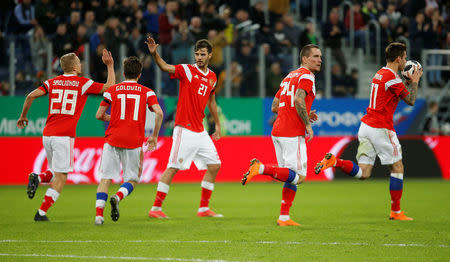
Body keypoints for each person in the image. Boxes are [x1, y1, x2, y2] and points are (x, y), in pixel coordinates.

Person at [315, 42, 423, 221]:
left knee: (364, 173)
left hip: (366, 127)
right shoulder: (393, 78)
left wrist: (406, 81)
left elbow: (394, 93)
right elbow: (411, 100)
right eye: (404, 57)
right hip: (381, 128)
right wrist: (415, 82)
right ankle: (396, 211)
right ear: (398, 58)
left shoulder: (381, 73)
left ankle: (335, 161)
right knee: (397, 167)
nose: (405, 60)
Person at [17, 50, 115, 221]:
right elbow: (109, 87)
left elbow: (30, 95)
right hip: (63, 136)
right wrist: (110, 66)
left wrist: (23, 116)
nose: (81, 64)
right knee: (61, 178)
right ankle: (41, 213)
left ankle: (38, 177)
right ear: (75, 67)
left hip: (47, 134)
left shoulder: (52, 82)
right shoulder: (82, 83)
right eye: (79, 61)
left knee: (54, 172)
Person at [242, 44, 321, 226]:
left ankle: (284, 217)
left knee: (289, 175)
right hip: (292, 132)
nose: (319, 60)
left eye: (320, 57)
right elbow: (299, 99)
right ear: (304, 59)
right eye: (315, 56)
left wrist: (304, 114)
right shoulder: (307, 76)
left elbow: (275, 106)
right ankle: (260, 169)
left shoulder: (289, 76)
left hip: (278, 130)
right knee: (299, 177)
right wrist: (307, 124)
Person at [145, 36, 223, 218]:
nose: (199, 57)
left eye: (203, 54)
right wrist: (155, 53)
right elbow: (165, 67)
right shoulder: (187, 71)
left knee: (215, 165)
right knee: (172, 167)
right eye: (196, 54)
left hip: (200, 131)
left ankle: (203, 208)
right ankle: (155, 208)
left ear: (210, 55)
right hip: (184, 129)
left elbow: (211, 100)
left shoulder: (212, 77)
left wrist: (217, 124)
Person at [94, 56, 163, 225]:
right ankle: (117, 197)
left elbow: (99, 115)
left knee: (106, 178)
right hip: (133, 141)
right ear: (140, 74)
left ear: (123, 73)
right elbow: (159, 113)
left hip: (112, 139)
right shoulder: (147, 92)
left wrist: (114, 117)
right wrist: (154, 136)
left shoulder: (112, 90)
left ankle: (98, 216)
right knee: (132, 179)